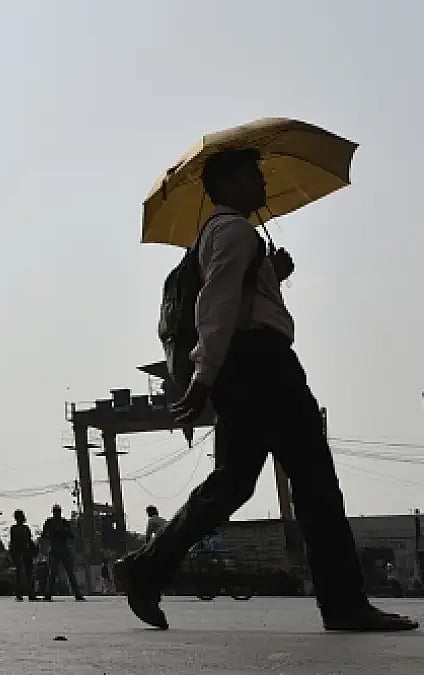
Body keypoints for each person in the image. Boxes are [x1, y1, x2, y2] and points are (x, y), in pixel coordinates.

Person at [114, 148, 418, 632]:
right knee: (315, 480)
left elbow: (231, 301)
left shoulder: (217, 235)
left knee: (232, 483)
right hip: (264, 366)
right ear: (229, 183)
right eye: (253, 175)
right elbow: (213, 306)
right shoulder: (234, 231)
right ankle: (343, 603)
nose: (262, 182)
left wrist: (270, 276)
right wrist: (202, 374)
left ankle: (148, 566)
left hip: (243, 369)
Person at [40, 505, 85, 601]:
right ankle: (48, 594)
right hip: (54, 549)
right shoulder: (49, 522)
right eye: (56, 512)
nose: (57, 514)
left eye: (58, 512)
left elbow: (71, 535)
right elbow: (44, 535)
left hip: (64, 549)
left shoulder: (64, 522)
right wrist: (52, 535)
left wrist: (63, 532)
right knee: (52, 573)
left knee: (70, 573)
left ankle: (77, 594)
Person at [9, 510, 38, 601]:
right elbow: (15, 542)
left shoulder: (21, 528)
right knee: (23, 574)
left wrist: (34, 551)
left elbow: (29, 541)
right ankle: (24, 594)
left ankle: (27, 594)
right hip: (21, 552)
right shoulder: (18, 529)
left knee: (25, 574)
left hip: (24, 552)